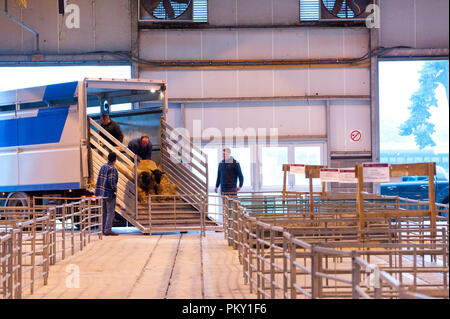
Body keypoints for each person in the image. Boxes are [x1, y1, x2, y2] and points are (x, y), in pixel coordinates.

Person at [95, 151, 119, 236]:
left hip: (101, 193)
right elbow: (111, 181)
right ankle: (108, 230)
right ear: (115, 159)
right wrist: (115, 189)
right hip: (109, 193)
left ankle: (102, 229)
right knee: (110, 212)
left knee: (103, 212)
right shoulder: (112, 168)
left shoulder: (103, 166)